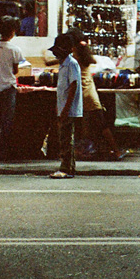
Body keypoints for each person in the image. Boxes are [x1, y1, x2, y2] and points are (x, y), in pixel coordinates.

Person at [76, 40, 127, 161]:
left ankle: (116, 151)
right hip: (90, 94)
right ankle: (116, 151)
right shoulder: (87, 59)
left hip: (83, 94)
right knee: (101, 124)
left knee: (90, 123)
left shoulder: (74, 60)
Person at [0, 16, 23, 159]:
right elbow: (15, 70)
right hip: (8, 87)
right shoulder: (15, 49)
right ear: (13, 32)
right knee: (7, 120)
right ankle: (5, 151)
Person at [49, 33, 82, 179]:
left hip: (68, 110)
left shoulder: (71, 64)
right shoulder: (64, 64)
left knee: (66, 140)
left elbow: (73, 86)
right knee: (65, 139)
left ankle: (66, 168)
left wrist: (66, 109)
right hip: (63, 108)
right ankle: (69, 168)